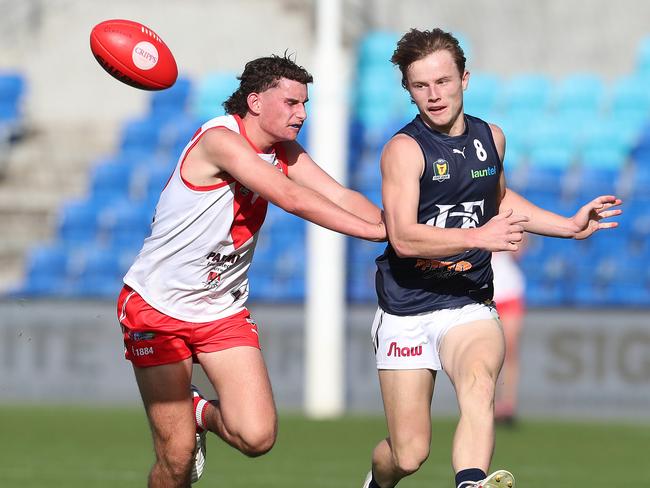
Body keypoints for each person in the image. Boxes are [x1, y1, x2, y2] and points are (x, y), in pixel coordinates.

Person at [361, 27, 622, 488]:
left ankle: (471, 482)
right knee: (408, 454)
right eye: (420, 86)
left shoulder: (491, 138)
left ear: (465, 78)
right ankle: (377, 481)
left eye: (442, 82)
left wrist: (566, 225)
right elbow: (402, 237)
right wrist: (478, 237)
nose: (434, 95)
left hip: (468, 300)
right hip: (407, 307)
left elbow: (498, 200)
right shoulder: (404, 150)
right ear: (408, 90)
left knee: (479, 384)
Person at [116, 54, 386, 488]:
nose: (302, 113)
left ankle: (199, 411)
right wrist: (372, 234)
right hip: (157, 306)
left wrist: (396, 230)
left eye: (305, 103)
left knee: (257, 436)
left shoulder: (283, 151)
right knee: (177, 457)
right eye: (292, 103)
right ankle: (190, 426)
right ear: (256, 102)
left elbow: (338, 195)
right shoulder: (220, 140)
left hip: (221, 310)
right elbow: (289, 197)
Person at [492, 249, 526, 426]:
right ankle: (490, 404)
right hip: (483, 293)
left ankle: (508, 404)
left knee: (510, 350)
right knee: (489, 352)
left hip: (508, 291)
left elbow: (520, 250)